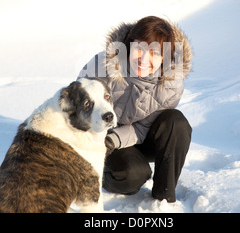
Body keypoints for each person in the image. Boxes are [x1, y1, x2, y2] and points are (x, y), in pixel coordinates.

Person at [78, 16, 193, 203]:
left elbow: (143, 128)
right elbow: (78, 106)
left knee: (176, 122)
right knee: (133, 176)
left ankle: (163, 198)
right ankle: (101, 174)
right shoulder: (103, 64)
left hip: (138, 136)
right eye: (139, 49)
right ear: (130, 46)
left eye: (155, 53)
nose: (144, 59)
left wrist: (113, 140)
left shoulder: (171, 83)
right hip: (100, 137)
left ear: (166, 56)